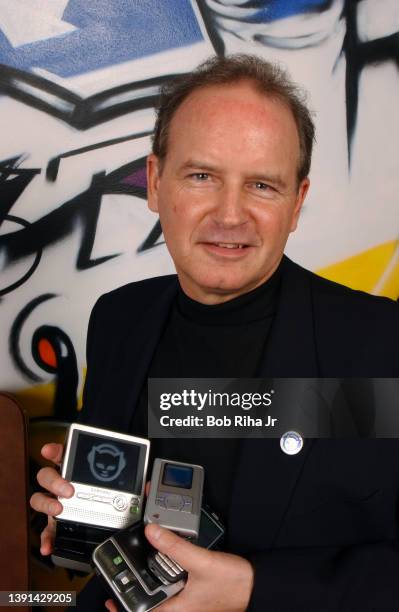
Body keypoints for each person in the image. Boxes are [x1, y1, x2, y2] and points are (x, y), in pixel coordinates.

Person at [31, 55, 399, 611]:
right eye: (202, 176)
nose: (230, 214)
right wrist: (74, 515)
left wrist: (254, 588)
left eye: (261, 185)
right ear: (155, 183)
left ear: (296, 203)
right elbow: (119, 510)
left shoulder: (380, 344)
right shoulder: (118, 319)